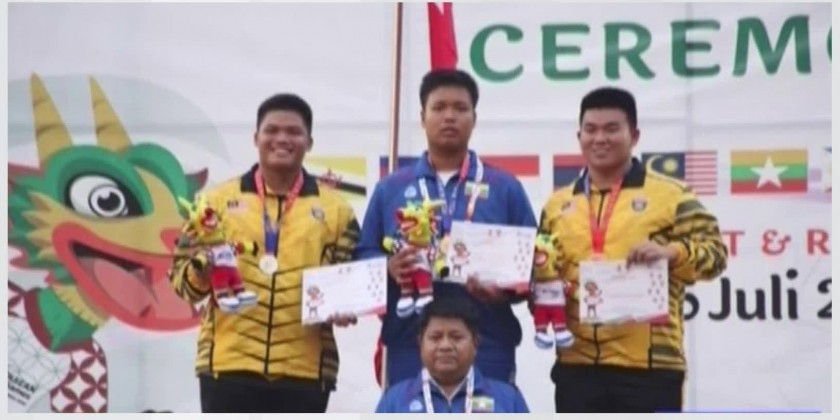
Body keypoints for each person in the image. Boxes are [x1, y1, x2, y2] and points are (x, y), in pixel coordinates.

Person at [537, 87, 728, 413]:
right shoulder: (557, 205)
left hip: (649, 368)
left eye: (612, 129)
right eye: (591, 129)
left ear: (634, 135)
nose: (600, 138)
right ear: (579, 136)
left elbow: (716, 254)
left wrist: (672, 253)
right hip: (576, 366)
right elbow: (541, 272)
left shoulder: (671, 195)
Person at [168, 93, 360, 413]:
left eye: (294, 132)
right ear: (255, 138)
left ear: (309, 142)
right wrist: (203, 270)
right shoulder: (214, 203)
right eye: (272, 130)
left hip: (305, 373)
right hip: (227, 367)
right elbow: (181, 284)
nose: (282, 138)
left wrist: (346, 306)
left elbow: (352, 281)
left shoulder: (337, 210)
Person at [356, 69, 538, 388]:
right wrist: (389, 267)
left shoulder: (505, 187)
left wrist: (504, 292)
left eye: (460, 108)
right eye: (439, 108)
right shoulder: (391, 188)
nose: (449, 116)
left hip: (487, 341)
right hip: (410, 342)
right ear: (422, 117)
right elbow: (362, 256)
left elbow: (534, 265)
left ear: (474, 118)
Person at [375, 297, 530, 413]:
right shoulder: (394, 401)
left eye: (456, 337)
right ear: (420, 343)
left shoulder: (508, 399)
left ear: (475, 343)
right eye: (436, 337)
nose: (445, 346)